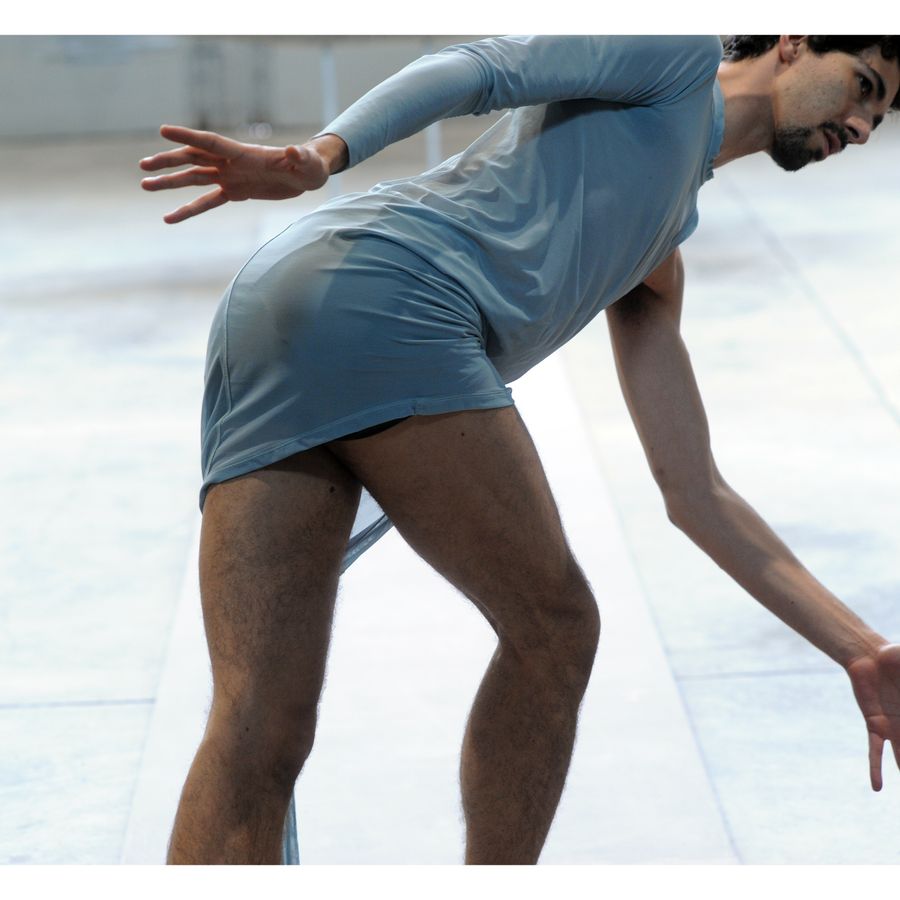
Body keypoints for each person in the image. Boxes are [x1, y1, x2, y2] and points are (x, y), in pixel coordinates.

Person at [140, 35, 900, 865]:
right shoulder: (675, 56)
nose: (863, 126)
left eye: (879, 115)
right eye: (862, 85)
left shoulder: (658, 249)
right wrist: (324, 155)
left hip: (279, 300)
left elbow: (695, 492)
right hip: (394, 293)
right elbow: (483, 67)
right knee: (556, 630)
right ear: (793, 41)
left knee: (259, 722)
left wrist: (859, 649)